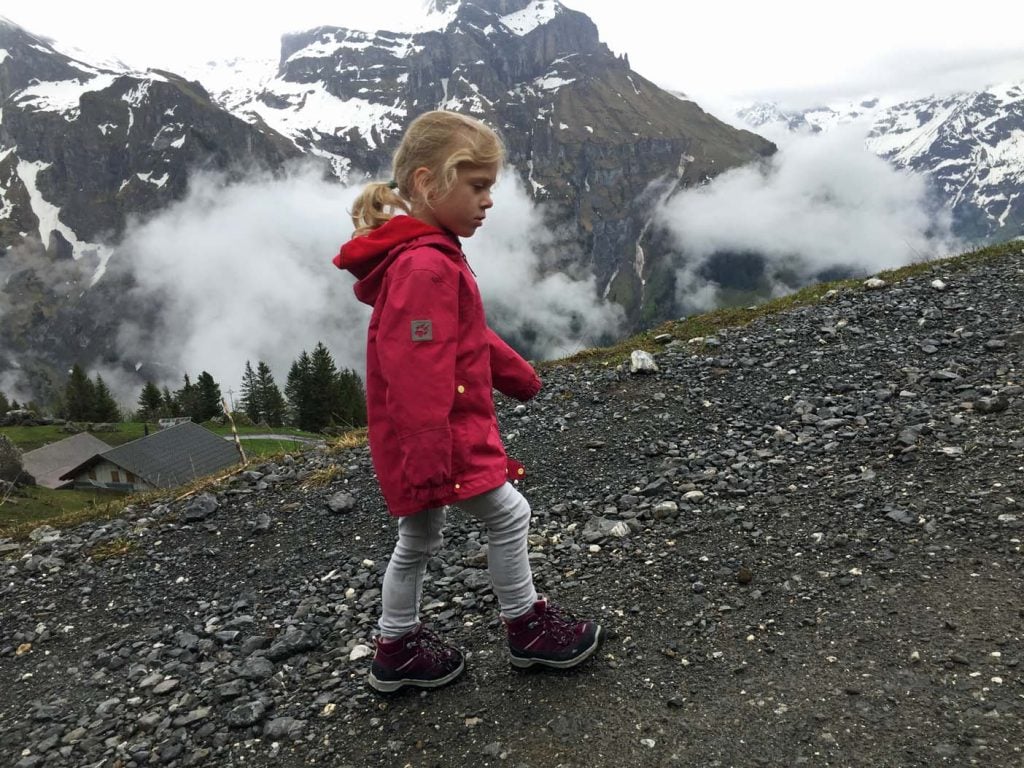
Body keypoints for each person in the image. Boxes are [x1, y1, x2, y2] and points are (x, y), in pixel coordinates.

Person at [333, 110, 602, 693]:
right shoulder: (426, 265)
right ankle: (526, 628)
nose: (488, 202)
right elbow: (414, 370)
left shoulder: (430, 255)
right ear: (430, 184)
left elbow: (465, 335)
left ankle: (395, 646)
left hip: (423, 438)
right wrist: (428, 454)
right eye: (478, 186)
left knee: (419, 539)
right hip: (439, 436)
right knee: (510, 516)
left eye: (490, 188)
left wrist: (516, 375)